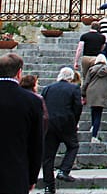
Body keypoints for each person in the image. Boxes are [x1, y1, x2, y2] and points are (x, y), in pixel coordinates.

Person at [0, 53, 44, 194]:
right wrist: (32, 177)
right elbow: (36, 143)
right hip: (16, 173)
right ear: (19, 73)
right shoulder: (32, 101)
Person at [41, 67, 83, 188]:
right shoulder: (74, 88)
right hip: (66, 123)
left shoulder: (48, 88)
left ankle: (49, 187)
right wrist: (74, 121)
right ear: (70, 78)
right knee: (73, 146)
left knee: (48, 157)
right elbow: (78, 107)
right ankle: (64, 170)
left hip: (49, 124)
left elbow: (41, 104)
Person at [81, 53, 107, 144]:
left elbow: (86, 82)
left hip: (91, 92)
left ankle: (93, 127)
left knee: (93, 111)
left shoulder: (91, 69)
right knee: (98, 114)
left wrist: (83, 93)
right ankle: (94, 136)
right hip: (102, 93)